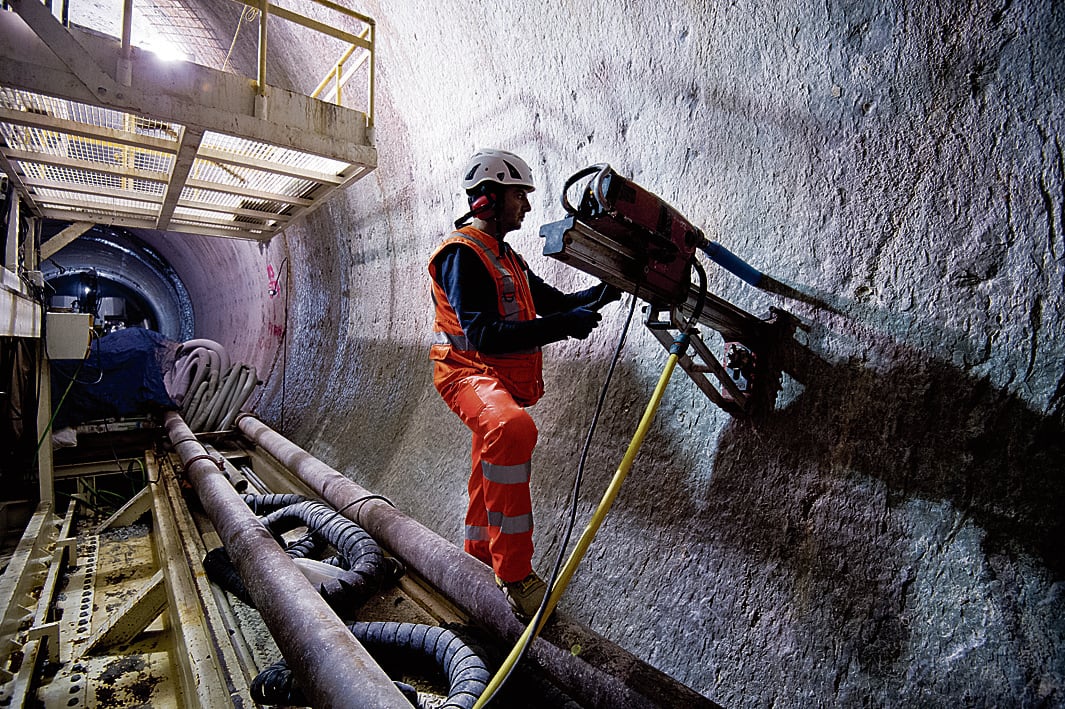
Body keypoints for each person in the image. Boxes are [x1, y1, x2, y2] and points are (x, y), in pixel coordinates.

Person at [428, 149, 620, 619]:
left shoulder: (504, 256)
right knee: (511, 431)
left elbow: (551, 302)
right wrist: (564, 326)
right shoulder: (462, 255)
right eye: (520, 197)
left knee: (488, 466)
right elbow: (484, 333)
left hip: (492, 377)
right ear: (487, 201)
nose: (527, 208)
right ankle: (514, 575)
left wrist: (608, 290)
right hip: (466, 371)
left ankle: (476, 559)